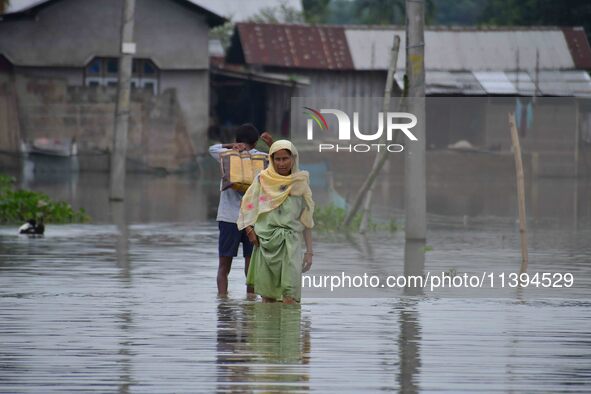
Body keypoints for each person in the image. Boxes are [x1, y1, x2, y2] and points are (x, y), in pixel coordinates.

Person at [237, 140, 314, 304]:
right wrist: (249, 230)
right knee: (268, 297)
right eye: (277, 159)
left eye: (285, 158)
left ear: (293, 158)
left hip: (291, 244)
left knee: (290, 296)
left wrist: (309, 252)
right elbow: (247, 206)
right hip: (266, 243)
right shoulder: (263, 180)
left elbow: (306, 220)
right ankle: (267, 330)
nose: (281, 163)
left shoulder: (300, 182)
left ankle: (290, 329)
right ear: (271, 160)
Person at [209, 124, 273, 296]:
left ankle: (222, 302)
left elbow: (211, 148)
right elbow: (283, 158)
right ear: (255, 142)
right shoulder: (263, 157)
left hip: (228, 218)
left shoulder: (226, 154)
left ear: (236, 140)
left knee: (224, 266)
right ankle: (250, 302)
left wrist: (232, 146)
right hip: (253, 219)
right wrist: (271, 143)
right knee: (251, 266)